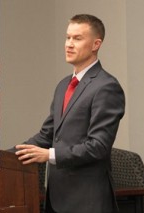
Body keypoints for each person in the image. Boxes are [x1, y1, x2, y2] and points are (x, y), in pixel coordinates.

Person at [15, 14, 125, 213]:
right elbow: (47, 135)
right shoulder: (63, 85)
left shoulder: (107, 87)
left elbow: (98, 146)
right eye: (68, 37)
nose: (69, 44)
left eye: (77, 38)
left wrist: (49, 154)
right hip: (56, 199)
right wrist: (6, 155)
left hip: (87, 201)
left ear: (96, 44)